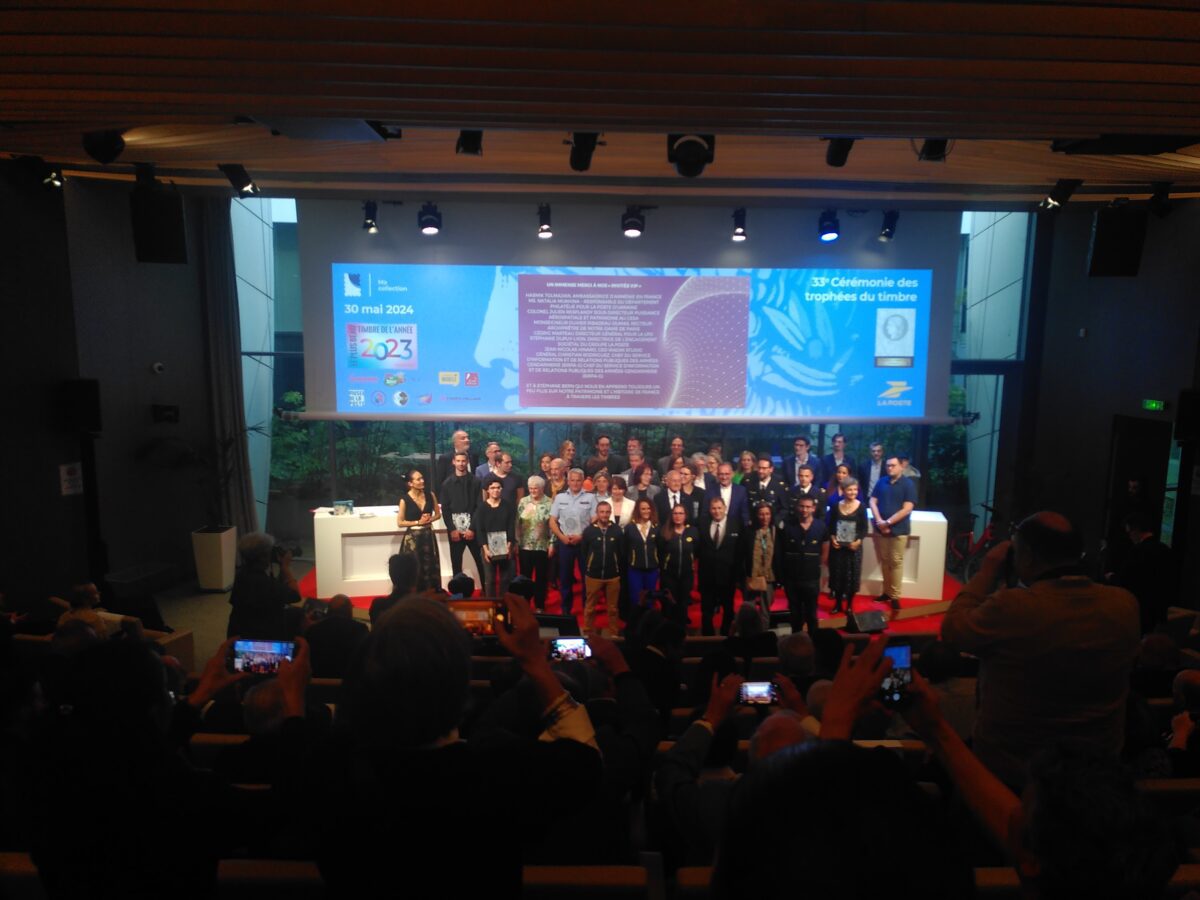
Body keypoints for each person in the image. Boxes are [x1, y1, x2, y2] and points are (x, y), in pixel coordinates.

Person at [311, 593, 602, 899]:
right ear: (462, 685)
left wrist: (403, 622)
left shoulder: (330, 771)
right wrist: (535, 664)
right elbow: (586, 760)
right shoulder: (497, 776)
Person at [941, 512, 1140, 788]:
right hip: (1097, 776)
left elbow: (953, 631)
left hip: (1012, 773)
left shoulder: (1014, 608)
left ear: (1028, 556)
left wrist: (987, 570)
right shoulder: (1124, 605)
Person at [1107, 510, 1175, 634]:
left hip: (1140, 610)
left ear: (1136, 530)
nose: (1129, 536)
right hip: (1159, 610)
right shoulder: (1165, 549)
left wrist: (1111, 577)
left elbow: (1126, 580)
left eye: (1129, 532)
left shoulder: (1138, 551)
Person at [227, 531, 301, 638]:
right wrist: (285, 567)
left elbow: (276, 589)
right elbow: (295, 595)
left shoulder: (242, 575)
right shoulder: (263, 583)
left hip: (240, 630)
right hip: (261, 635)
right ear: (264, 557)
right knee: (299, 614)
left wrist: (281, 567)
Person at [869, 454, 916, 612]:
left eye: (893, 465)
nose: (889, 468)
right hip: (881, 528)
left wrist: (887, 522)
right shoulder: (881, 481)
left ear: (901, 466)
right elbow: (872, 501)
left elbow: (907, 508)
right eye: (888, 465)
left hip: (899, 529)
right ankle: (886, 592)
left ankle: (895, 596)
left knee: (896, 562)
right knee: (885, 561)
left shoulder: (908, 484)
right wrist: (879, 521)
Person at [549, 468, 598, 615]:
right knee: (565, 578)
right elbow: (552, 521)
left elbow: (595, 520)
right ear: (568, 481)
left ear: (583, 481)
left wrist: (582, 536)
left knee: (586, 577)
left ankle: (586, 608)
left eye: (578, 480)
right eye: (572, 480)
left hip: (584, 543)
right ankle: (566, 609)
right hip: (565, 542)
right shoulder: (560, 498)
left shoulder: (591, 498)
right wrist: (561, 537)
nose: (575, 483)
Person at [779, 494, 828, 635]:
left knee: (811, 613)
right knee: (795, 614)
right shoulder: (788, 525)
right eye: (801, 506)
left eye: (808, 507)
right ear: (797, 507)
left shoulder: (821, 526)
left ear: (813, 508)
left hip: (811, 578)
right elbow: (782, 549)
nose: (804, 510)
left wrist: (818, 565)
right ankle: (796, 641)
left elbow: (825, 547)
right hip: (792, 578)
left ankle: (813, 641)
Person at [698, 497, 745, 636]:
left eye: (719, 508)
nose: (717, 511)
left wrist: (738, 576)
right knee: (706, 611)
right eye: (714, 508)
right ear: (709, 510)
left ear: (725, 508)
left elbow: (740, 552)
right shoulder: (702, 523)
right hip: (707, 576)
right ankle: (707, 638)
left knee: (728, 609)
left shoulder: (736, 524)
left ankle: (726, 636)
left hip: (728, 576)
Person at [827, 477, 868, 616]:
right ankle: (838, 604)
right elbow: (830, 526)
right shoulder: (835, 506)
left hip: (853, 548)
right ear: (843, 490)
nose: (853, 492)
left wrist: (858, 541)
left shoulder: (861, 507)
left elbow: (864, 529)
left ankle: (849, 606)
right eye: (850, 489)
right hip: (838, 548)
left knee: (852, 577)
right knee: (837, 575)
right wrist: (833, 538)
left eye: (855, 490)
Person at [440, 450, 483, 581]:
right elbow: (445, 509)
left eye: (463, 461)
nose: (461, 463)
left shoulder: (476, 482)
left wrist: (472, 529)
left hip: (473, 530)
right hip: (455, 532)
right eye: (458, 461)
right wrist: (452, 529)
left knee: (481, 562)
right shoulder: (446, 484)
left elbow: (479, 506)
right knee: (456, 563)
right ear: (453, 462)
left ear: (467, 462)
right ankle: (457, 591)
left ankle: (487, 590)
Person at [396, 468, 442, 592]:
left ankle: (431, 593)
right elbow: (400, 522)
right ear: (410, 483)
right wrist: (418, 522)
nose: (422, 481)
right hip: (413, 539)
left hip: (428, 536)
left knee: (430, 566)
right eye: (418, 479)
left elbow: (438, 514)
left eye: (422, 478)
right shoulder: (404, 499)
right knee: (414, 567)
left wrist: (429, 519)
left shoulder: (430, 495)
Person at [581, 500, 622, 635]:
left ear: (610, 513)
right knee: (590, 607)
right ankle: (587, 632)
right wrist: (589, 566)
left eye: (607, 512)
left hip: (613, 576)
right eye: (602, 512)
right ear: (597, 513)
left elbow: (621, 552)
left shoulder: (617, 531)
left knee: (613, 608)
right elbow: (584, 552)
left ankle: (614, 633)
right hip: (593, 575)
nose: (604, 515)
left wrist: (617, 569)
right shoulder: (589, 531)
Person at [305, 594, 369, 678]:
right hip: (349, 682)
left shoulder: (313, 629)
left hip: (317, 681)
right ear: (348, 609)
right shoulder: (360, 629)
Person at [473, 475, 516, 597]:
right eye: (492, 488)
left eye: (498, 487)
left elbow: (511, 527)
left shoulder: (508, 506)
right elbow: (480, 530)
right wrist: (485, 549)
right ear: (487, 490)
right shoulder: (481, 508)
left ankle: (503, 603)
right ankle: (490, 603)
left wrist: (509, 545)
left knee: (505, 578)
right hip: (487, 547)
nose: (495, 490)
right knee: (490, 579)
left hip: (505, 546)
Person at [516, 475, 553, 610]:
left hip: (542, 546)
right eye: (530, 488)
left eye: (535, 488)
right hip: (524, 545)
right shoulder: (523, 502)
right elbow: (517, 523)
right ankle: (525, 603)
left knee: (541, 577)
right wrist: (516, 541)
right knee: (525, 577)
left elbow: (553, 526)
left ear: (542, 488)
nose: (532, 491)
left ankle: (539, 605)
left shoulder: (549, 503)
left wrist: (552, 543)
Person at [659, 504, 699, 626]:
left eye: (681, 513)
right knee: (669, 603)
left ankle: (681, 629)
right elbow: (660, 552)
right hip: (669, 575)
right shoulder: (664, 531)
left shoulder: (693, 531)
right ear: (671, 515)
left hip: (687, 574)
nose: (678, 516)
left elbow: (697, 550)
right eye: (675, 513)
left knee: (683, 603)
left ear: (685, 515)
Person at [743, 502, 778, 618]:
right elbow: (741, 554)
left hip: (769, 577)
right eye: (761, 514)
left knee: (765, 611)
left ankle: (763, 629)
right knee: (749, 611)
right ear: (756, 515)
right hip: (752, 576)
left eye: (767, 514)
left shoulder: (775, 531)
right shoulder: (748, 532)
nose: (765, 517)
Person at [624, 498, 660, 608]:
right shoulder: (629, 528)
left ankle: (649, 618)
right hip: (635, 570)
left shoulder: (657, 527)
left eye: (648, 508)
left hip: (652, 569)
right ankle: (637, 618)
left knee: (650, 598)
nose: (646, 511)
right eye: (643, 509)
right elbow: (625, 549)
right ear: (638, 510)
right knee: (636, 598)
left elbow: (661, 548)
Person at [745, 455, 787, 522]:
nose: (760, 471)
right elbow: (745, 505)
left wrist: (774, 522)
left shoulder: (779, 485)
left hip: (773, 523)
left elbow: (784, 508)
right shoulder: (749, 482)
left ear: (771, 469)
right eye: (759, 468)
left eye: (764, 468)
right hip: (753, 523)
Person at [712, 461, 750, 527]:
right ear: (717, 475)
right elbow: (705, 513)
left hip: (736, 528)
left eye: (727, 474)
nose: (724, 477)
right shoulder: (710, 491)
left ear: (732, 474)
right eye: (721, 474)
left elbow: (744, 512)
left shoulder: (741, 491)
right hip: (716, 528)